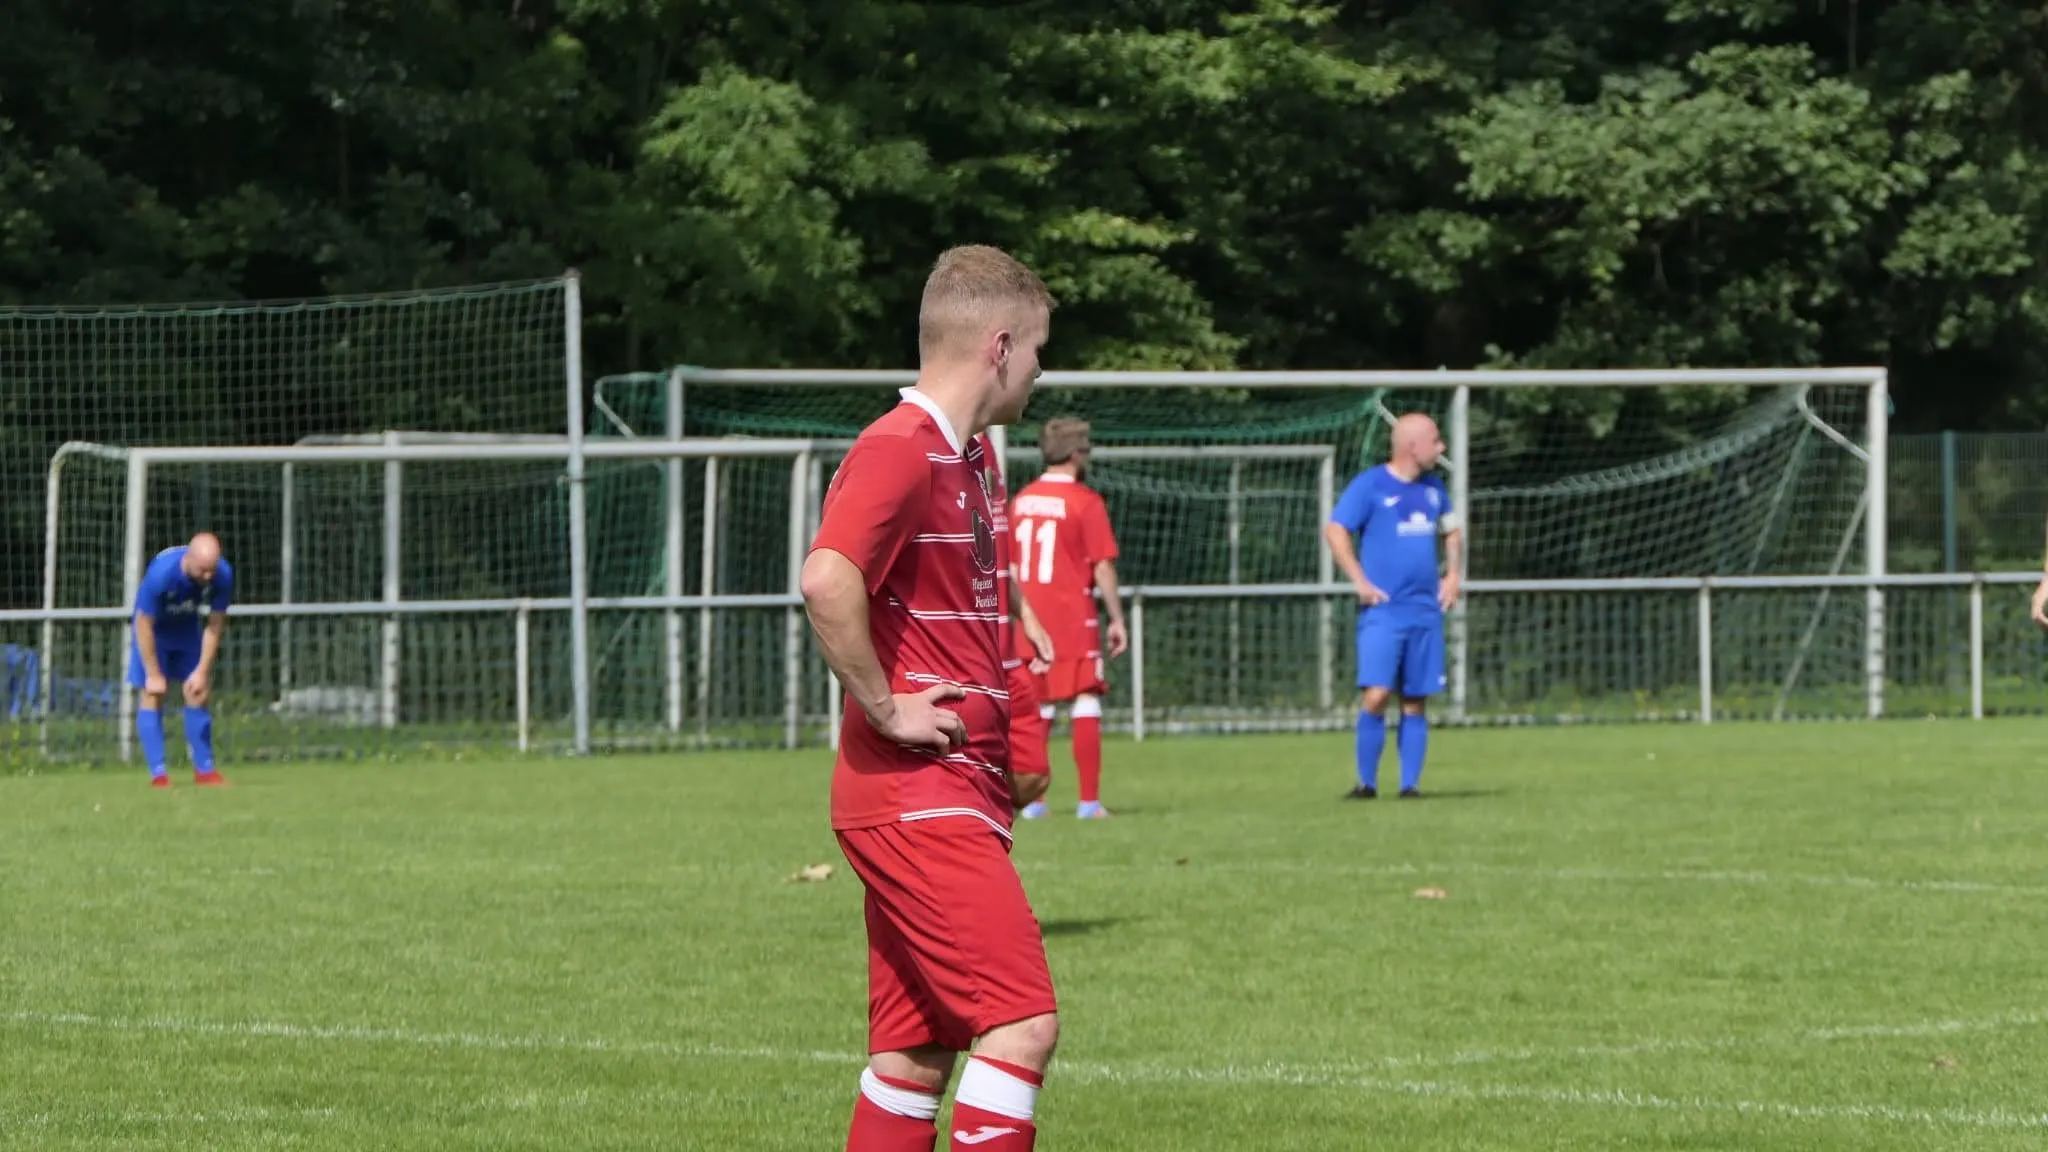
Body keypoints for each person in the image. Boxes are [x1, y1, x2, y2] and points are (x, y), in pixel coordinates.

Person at [800, 244, 1058, 1152]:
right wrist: (886, 707)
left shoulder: (974, 458)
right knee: (1022, 1025)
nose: (1040, 371)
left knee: (915, 1055)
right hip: (918, 799)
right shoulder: (899, 449)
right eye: (1037, 350)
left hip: (954, 793)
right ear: (999, 346)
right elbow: (827, 579)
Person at [1324, 414, 1463, 799]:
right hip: (1384, 612)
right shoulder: (1370, 485)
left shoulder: (1435, 489)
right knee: (1377, 694)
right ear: (1413, 447)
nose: (1442, 447)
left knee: (1415, 700)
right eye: (1436, 440)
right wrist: (1359, 580)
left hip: (1425, 611)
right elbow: (1336, 530)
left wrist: (1453, 576)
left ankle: (1409, 787)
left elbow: (1452, 531)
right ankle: (1366, 784)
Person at [1009, 418, 1126, 819]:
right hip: (1072, 618)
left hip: (1027, 618)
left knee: (1037, 706)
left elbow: (1008, 564)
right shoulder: (1084, 501)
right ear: (1077, 454)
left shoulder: (1021, 500)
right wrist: (1117, 618)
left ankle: (1033, 803)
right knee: (1085, 699)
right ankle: (1088, 803)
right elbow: (1103, 566)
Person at [977, 431, 1056, 817]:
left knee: (1031, 775)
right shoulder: (939, 446)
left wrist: (1028, 618)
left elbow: (992, 560)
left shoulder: (987, 449)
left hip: (1007, 659)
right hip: (969, 664)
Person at [129, 532, 234, 787]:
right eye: (202, 570)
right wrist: (153, 673)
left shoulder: (222, 574)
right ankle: (159, 775)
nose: (208, 576)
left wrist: (202, 670)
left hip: (186, 630)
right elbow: (143, 624)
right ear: (189, 558)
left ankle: (205, 770)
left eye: (211, 570)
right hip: (154, 633)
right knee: (153, 694)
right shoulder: (161, 574)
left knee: (198, 691)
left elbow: (215, 623)